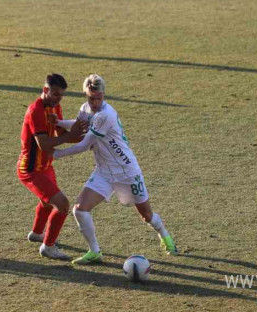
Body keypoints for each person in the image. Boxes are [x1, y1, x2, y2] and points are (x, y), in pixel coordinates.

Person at [53, 74, 177, 265]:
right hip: (104, 171)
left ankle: (165, 236)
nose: (94, 102)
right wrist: (60, 123)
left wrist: (56, 154)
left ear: (103, 95)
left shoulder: (106, 115)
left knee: (146, 216)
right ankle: (94, 252)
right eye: (90, 98)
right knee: (80, 210)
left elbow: (84, 145)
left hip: (127, 172)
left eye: (98, 98)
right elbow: (80, 125)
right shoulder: (86, 109)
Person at [17, 74, 88, 260]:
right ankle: (48, 247)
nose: (59, 98)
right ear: (45, 90)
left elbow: (63, 134)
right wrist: (70, 135)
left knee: (48, 202)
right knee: (62, 205)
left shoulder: (54, 106)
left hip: (46, 166)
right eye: (56, 94)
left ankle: (37, 233)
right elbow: (45, 145)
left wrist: (87, 133)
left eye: (61, 95)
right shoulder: (35, 111)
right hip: (31, 170)